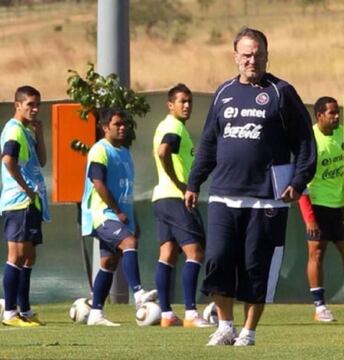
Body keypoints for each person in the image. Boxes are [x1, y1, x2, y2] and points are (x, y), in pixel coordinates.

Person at [184, 27, 316, 346]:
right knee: (216, 259)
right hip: (223, 196)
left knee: (256, 268)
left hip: (266, 201)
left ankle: (248, 331)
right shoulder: (223, 92)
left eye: (257, 54)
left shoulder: (281, 92)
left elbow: (305, 144)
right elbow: (209, 143)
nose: (251, 60)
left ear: (267, 56)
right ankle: (225, 325)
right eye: (245, 54)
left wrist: (298, 182)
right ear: (235, 57)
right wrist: (194, 182)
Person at [81, 108, 157, 326]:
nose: (122, 127)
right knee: (129, 243)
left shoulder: (124, 152)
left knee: (108, 262)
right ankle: (138, 293)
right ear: (105, 127)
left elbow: (126, 190)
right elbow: (98, 183)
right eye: (117, 124)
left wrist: (133, 219)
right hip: (103, 214)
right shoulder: (99, 150)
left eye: (125, 124)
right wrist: (117, 211)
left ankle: (96, 313)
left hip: (120, 215)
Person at [152, 83, 211, 328]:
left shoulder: (166, 125)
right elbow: (164, 151)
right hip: (176, 198)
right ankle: (190, 313)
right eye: (182, 101)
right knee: (195, 253)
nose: (187, 106)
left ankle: (166, 314)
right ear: (170, 105)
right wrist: (179, 183)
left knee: (167, 255)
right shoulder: (174, 127)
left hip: (161, 199)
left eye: (189, 101)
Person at [0, 85, 50, 327]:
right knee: (17, 256)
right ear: (17, 105)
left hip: (31, 202)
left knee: (29, 256)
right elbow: (8, 160)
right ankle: (10, 313)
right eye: (30, 104)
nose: (35, 109)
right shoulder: (13, 130)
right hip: (19, 201)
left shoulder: (27, 131)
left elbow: (42, 161)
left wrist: (39, 134)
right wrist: (26, 188)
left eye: (37, 104)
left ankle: (25, 311)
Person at [298, 96, 344, 322]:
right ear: (319, 116)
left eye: (338, 112)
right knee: (316, 253)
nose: (337, 117)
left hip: (340, 205)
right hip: (316, 206)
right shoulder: (310, 141)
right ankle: (320, 307)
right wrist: (309, 219)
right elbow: (301, 184)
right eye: (332, 113)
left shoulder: (342, 134)